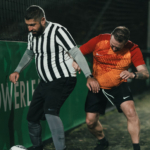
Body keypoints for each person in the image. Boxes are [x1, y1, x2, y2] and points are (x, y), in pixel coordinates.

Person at [9, 5, 100, 150]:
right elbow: (29, 53)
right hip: (45, 82)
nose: (30, 28)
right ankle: (38, 148)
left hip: (63, 78)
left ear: (43, 20)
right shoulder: (32, 35)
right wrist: (18, 70)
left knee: (50, 112)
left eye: (33, 25)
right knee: (32, 117)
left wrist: (89, 75)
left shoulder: (58, 31)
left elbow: (76, 53)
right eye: (28, 25)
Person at [73, 26, 149, 150]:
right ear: (111, 36)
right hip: (97, 85)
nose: (113, 48)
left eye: (117, 47)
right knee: (90, 122)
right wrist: (76, 61)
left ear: (126, 42)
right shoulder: (99, 40)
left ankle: (136, 148)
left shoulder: (133, 48)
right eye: (112, 44)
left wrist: (133, 74)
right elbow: (78, 53)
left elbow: (145, 73)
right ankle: (102, 141)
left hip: (118, 85)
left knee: (131, 112)